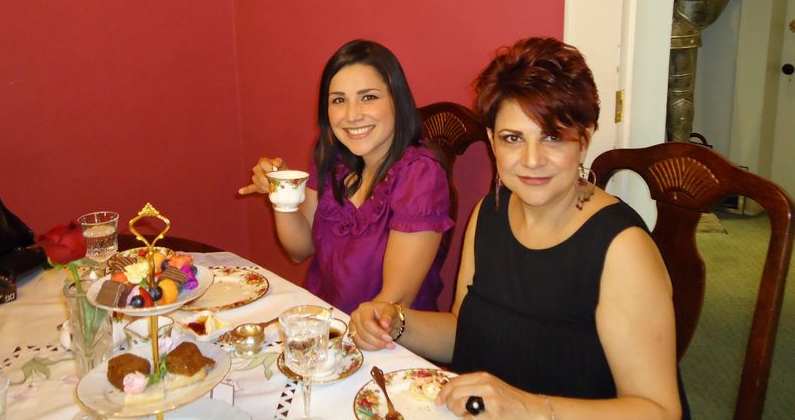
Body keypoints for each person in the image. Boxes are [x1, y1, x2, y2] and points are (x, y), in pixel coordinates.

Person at [350, 37, 688, 419]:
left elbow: (660, 411)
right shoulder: (489, 213)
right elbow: (464, 330)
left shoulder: (622, 249)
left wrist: (529, 407)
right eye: (513, 138)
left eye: (552, 137)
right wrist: (395, 321)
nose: (532, 160)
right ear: (493, 141)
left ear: (584, 140)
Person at [239, 39, 453, 314]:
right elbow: (300, 249)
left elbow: (392, 304)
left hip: (383, 334)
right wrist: (282, 192)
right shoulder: (332, 157)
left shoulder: (421, 176)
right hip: (324, 320)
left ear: (397, 100)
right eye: (339, 100)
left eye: (368, 97)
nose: (352, 116)